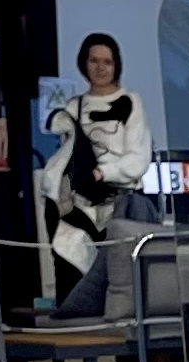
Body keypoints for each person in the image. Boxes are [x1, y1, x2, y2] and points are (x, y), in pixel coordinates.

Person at [41, 32, 156, 312]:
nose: (101, 68)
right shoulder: (74, 107)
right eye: (94, 61)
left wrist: (104, 171)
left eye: (107, 61)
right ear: (84, 63)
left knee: (121, 280)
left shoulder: (130, 101)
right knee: (72, 269)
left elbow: (138, 158)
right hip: (78, 205)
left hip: (120, 204)